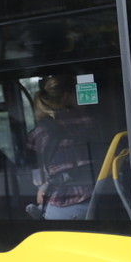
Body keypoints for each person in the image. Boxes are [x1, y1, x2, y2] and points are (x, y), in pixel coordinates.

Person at [26, 75, 97, 220]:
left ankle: (41, 211)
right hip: (101, 194)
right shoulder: (90, 121)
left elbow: (35, 173)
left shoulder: (37, 133)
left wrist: (43, 186)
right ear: (66, 97)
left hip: (65, 204)